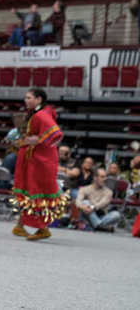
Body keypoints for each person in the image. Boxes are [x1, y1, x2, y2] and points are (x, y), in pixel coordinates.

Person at [12, 89, 67, 241]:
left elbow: (56, 133)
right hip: (32, 157)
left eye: (28, 97)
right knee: (27, 190)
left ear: (38, 100)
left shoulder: (42, 114)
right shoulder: (35, 114)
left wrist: (39, 139)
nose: (25, 100)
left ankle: (43, 228)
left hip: (40, 160)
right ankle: (20, 225)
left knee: (36, 191)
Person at [76, 168, 121, 232]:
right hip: (88, 215)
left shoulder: (109, 192)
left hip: (102, 215)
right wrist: (81, 206)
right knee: (85, 202)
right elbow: (78, 200)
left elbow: (102, 204)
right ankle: (99, 226)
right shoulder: (84, 189)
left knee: (116, 215)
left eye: (106, 177)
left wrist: (92, 207)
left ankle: (96, 225)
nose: (105, 179)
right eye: (102, 177)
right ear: (95, 178)